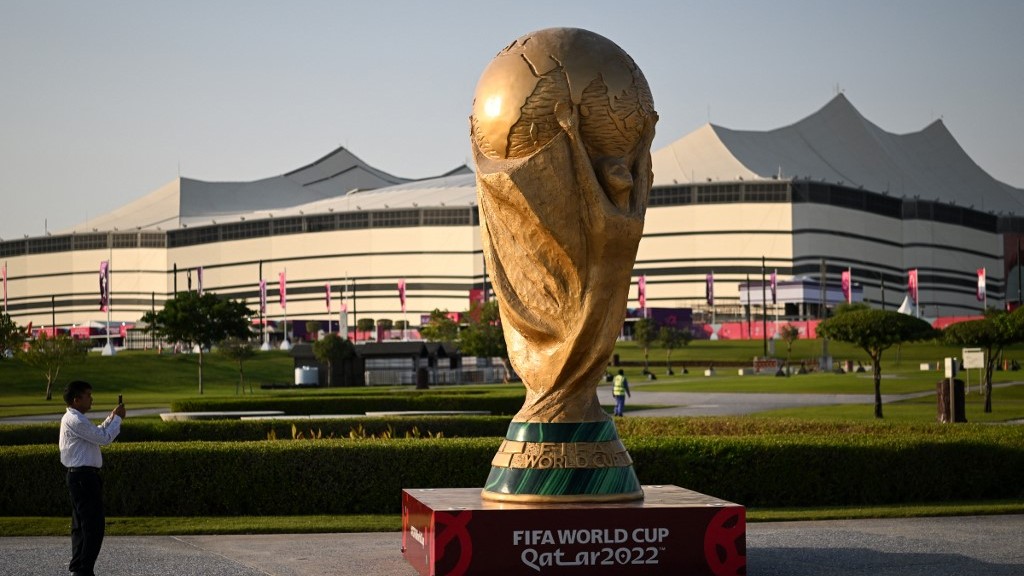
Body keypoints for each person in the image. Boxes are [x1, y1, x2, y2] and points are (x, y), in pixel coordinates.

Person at [59, 380, 125, 576]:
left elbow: (96, 433)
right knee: (92, 527)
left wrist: (111, 418)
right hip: (83, 479)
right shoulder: (75, 420)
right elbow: (104, 439)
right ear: (76, 399)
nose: (91, 399)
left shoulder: (75, 418)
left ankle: (79, 568)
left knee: (81, 526)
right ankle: (84, 570)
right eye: (88, 395)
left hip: (81, 478)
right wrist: (118, 420)